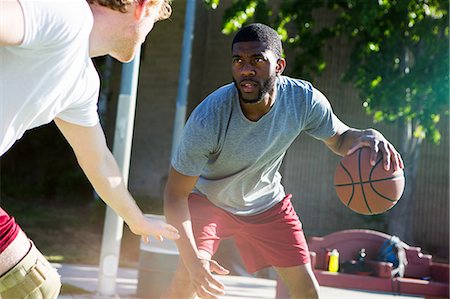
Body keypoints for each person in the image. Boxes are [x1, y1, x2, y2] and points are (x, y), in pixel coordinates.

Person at [163, 23, 404, 299]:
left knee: (305, 286)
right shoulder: (209, 118)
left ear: (279, 65)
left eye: (257, 60)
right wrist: (194, 262)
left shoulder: (302, 100)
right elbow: (175, 195)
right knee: (188, 275)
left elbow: (340, 139)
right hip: (210, 201)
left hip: (267, 203)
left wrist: (367, 134)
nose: (246, 69)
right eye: (238, 60)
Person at [0, 0, 179, 297]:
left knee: (33, 286)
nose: (148, 34)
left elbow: (98, 161)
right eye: (153, 22)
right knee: (31, 285)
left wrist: (137, 220)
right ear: (142, 7)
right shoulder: (66, 14)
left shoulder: (81, 81)